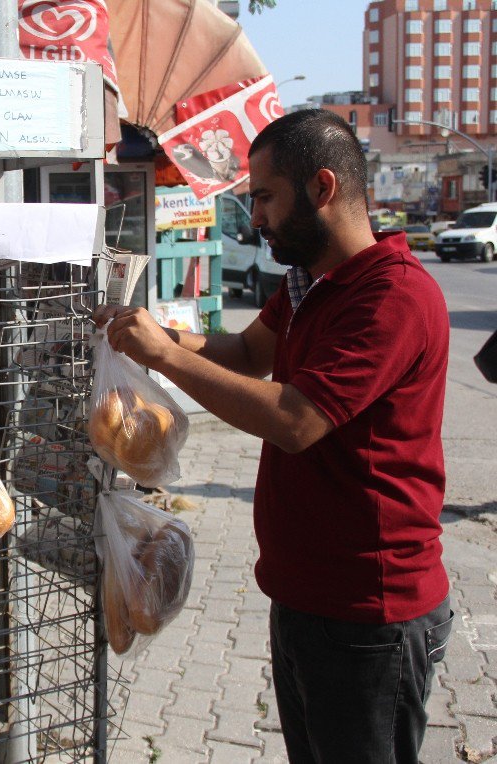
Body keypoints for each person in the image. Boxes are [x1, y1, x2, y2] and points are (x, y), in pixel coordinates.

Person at [94, 109, 454, 763]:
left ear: (322, 188)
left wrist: (169, 360)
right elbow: (245, 353)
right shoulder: (306, 284)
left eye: (264, 197)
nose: (254, 216)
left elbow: (295, 421)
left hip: (369, 612)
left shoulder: (393, 296)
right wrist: (155, 337)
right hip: (302, 596)